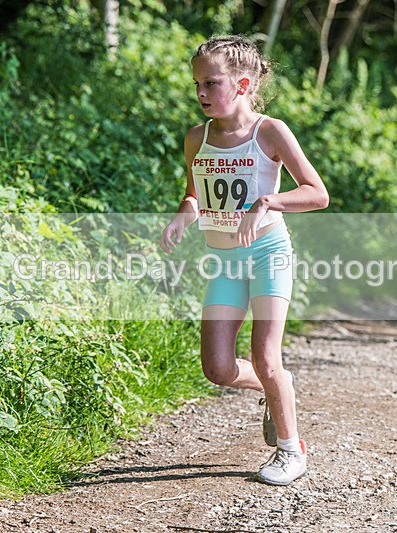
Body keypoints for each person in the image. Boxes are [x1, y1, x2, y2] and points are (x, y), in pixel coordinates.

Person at [160, 35, 329, 486]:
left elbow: (318, 194)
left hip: (268, 253)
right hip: (224, 261)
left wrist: (268, 202)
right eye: (197, 83)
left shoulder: (269, 132)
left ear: (242, 84)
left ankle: (291, 452)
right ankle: (279, 390)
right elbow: (197, 194)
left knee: (264, 353)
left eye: (210, 83)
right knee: (217, 368)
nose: (200, 92)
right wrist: (184, 215)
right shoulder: (197, 138)